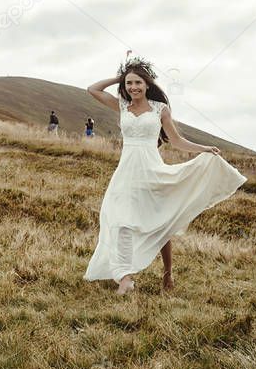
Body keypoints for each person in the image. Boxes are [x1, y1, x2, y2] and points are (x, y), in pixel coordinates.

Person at [83, 55, 246, 295]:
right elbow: (92, 89)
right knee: (120, 220)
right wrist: (121, 75)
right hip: (126, 173)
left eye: (138, 82)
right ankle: (125, 277)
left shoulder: (160, 109)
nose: (133, 87)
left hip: (151, 170)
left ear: (147, 84)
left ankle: (168, 273)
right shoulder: (122, 105)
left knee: (158, 222)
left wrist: (204, 149)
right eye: (129, 83)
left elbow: (177, 140)